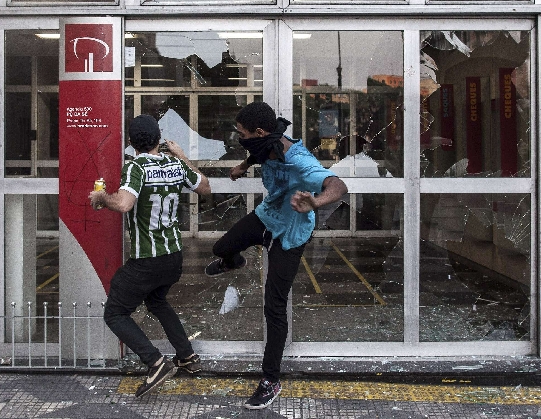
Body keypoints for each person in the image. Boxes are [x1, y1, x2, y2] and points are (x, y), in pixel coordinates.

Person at [205, 102, 347, 410]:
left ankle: (271, 380)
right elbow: (258, 151)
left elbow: (338, 185)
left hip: (292, 232)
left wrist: (316, 203)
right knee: (221, 248)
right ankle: (234, 261)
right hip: (267, 217)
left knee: (274, 305)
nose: (238, 137)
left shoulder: (300, 161)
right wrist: (244, 166)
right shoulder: (264, 143)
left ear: (258, 132)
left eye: (241, 133)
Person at [89, 114, 211, 398]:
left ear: (131, 142)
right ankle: (187, 357)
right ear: (159, 140)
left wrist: (102, 198)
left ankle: (155, 362)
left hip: (148, 260)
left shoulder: (136, 167)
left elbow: (123, 204)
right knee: (157, 301)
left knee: (115, 312)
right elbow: (205, 187)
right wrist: (182, 156)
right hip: (173, 256)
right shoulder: (175, 164)